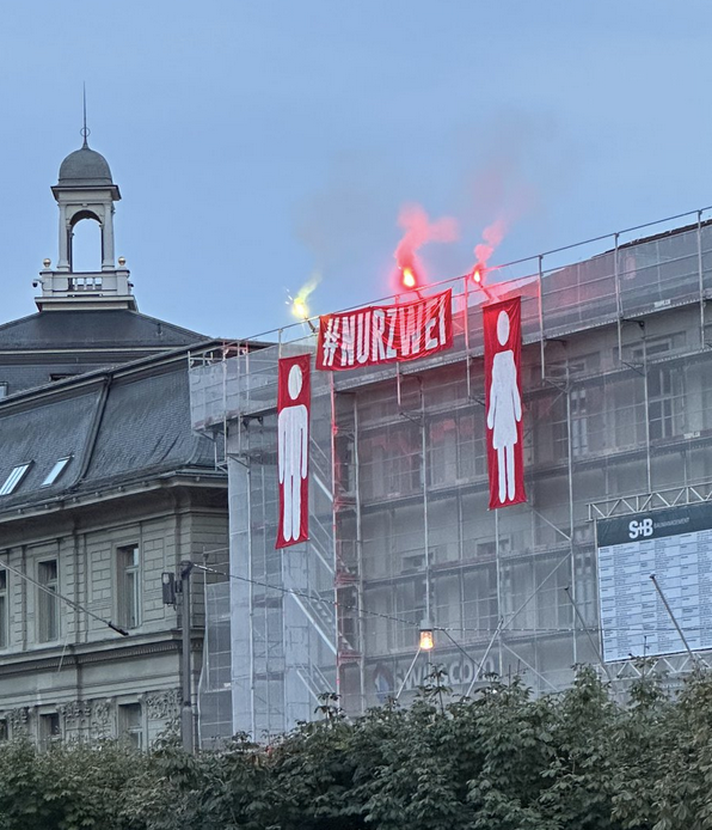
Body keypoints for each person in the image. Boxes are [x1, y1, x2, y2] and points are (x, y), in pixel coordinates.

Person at [486, 309, 522, 504]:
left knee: (508, 449)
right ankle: (503, 491)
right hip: (500, 409)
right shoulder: (496, 359)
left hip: (507, 407)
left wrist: (517, 411)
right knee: (501, 450)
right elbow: (492, 388)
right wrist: (491, 414)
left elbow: (514, 385)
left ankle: (511, 489)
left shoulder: (508, 356)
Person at [278, 364, 309, 542]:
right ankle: (290, 530)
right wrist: (282, 471)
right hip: (291, 460)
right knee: (289, 496)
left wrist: (303, 467)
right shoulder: (285, 414)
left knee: (296, 494)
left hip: (296, 461)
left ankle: (295, 530)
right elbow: (282, 444)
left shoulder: (301, 410)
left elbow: (304, 436)